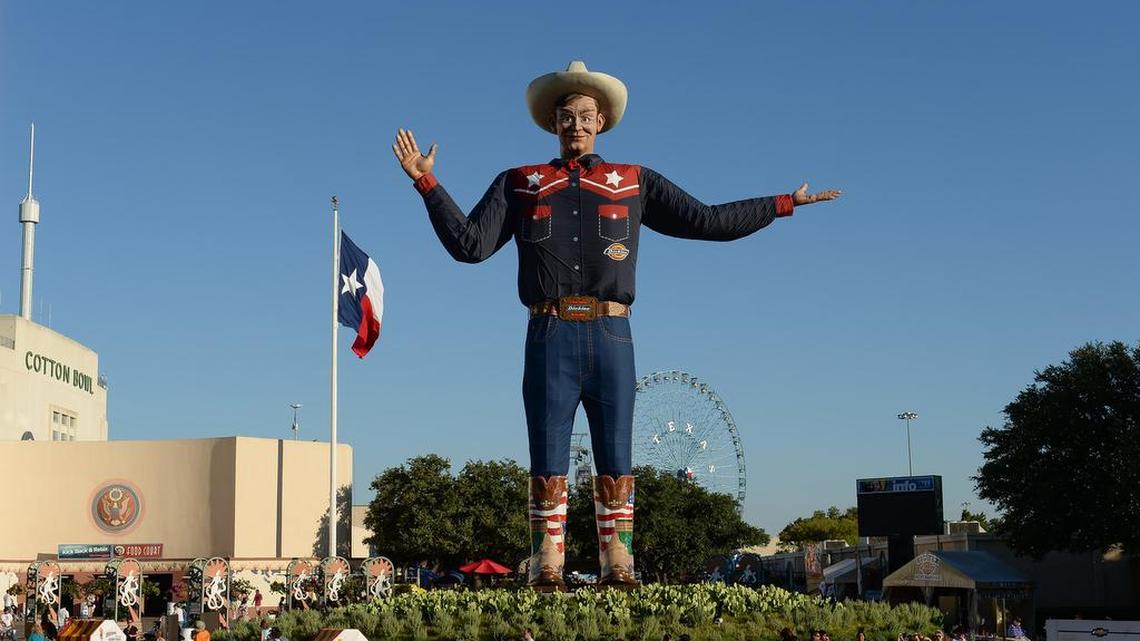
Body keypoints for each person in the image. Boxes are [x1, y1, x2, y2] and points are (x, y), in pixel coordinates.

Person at [393, 60, 840, 589]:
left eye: (585, 116)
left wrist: (783, 203)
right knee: (547, 453)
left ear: (601, 121)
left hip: (612, 333)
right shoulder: (519, 182)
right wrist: (426, 181)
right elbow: (469, 245)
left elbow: (708, 221)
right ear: (552, 124)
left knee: (616, 453)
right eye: (565, 116)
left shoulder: (632, 181)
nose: (575, 125)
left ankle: (618, 563)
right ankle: (548, 563)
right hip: (548, 332)